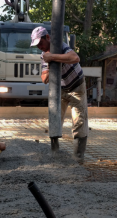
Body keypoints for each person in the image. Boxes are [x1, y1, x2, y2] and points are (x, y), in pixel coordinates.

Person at [30, 26, 89, 161]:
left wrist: (53, 57)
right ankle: (54, 152)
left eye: (41, 43)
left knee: (79, 121)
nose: (39, 46)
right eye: (37, 45)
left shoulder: (61, 47)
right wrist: (50, 62)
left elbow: (75, 57)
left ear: (48, 37)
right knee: (55, 118)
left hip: (76, 87)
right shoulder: (43, 56)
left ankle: (78, 157)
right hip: (60, 90)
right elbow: (44, 79)